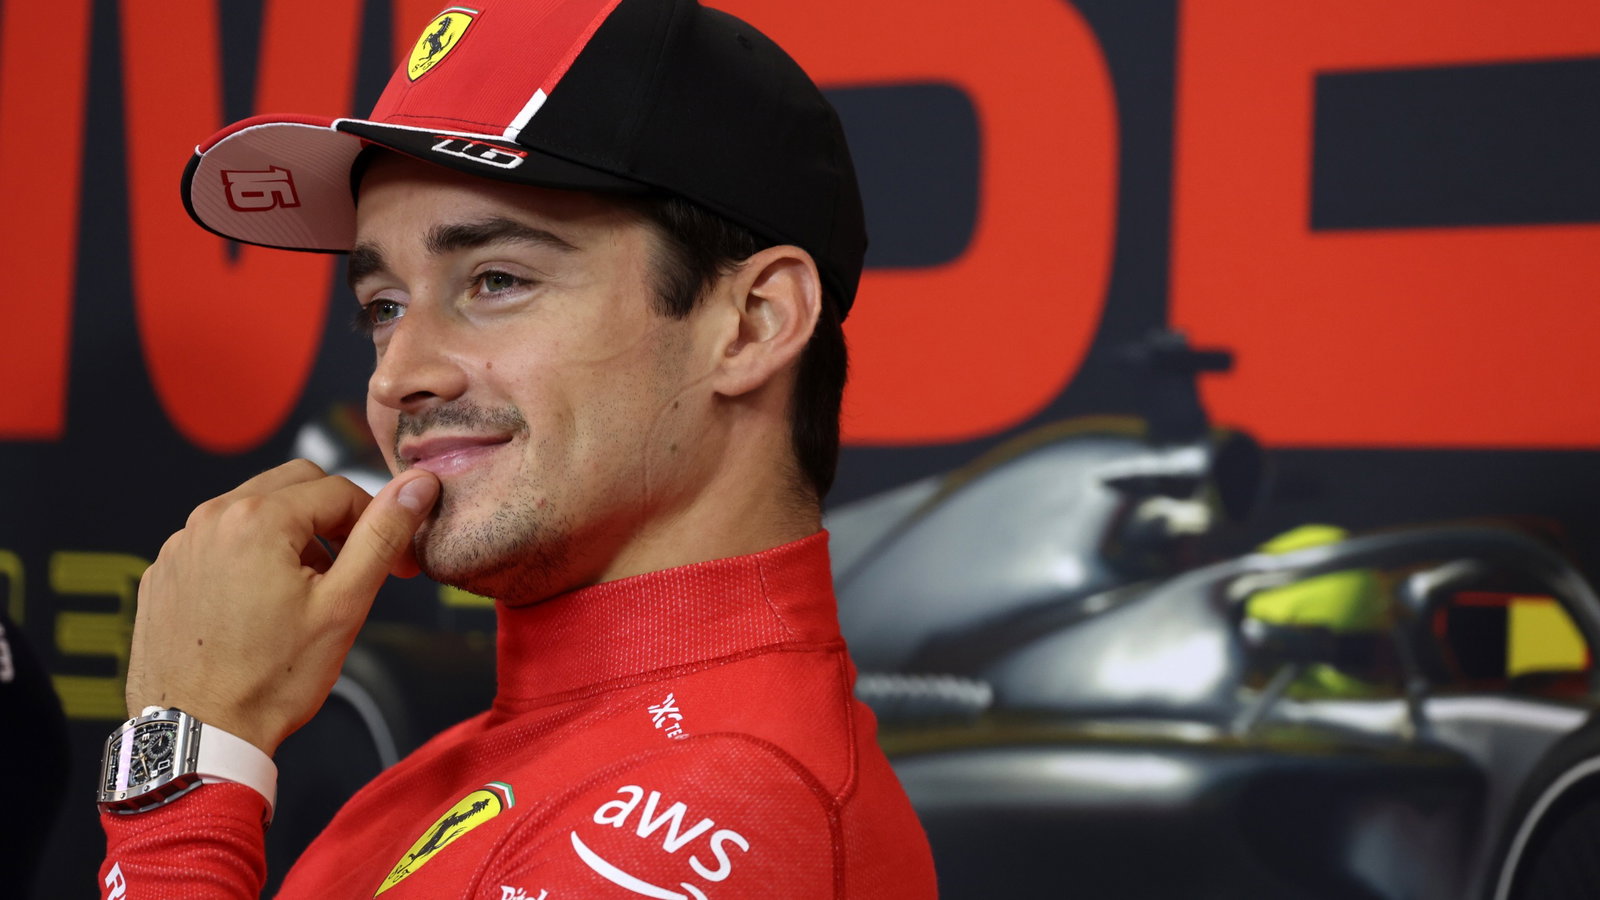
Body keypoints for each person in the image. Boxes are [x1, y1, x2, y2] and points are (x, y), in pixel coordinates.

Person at [96, 0, 938, 896]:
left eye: (496, 280)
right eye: (384, 307)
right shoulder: (482, 766)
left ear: (753, 324)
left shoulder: (724, 810)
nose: (398, 377)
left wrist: (188, 769)